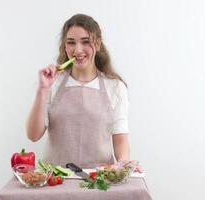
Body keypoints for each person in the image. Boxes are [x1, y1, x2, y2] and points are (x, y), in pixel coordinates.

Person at [26, 14, 130, 169]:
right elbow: (33, 135)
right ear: (65, 47)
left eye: (85, 42)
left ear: (98, 44)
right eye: (71, 43)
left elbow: (120, 139)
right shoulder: (53, 84)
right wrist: (42, 90)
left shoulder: (115, 87)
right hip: (56, 180)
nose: (78, 50)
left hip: (98, 180)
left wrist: (123, 165)